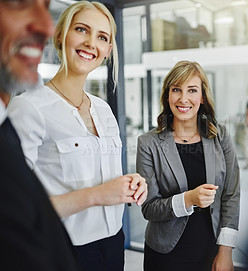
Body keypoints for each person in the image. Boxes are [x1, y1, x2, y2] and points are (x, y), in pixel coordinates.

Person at [7, 2, 147, 270]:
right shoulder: (29, 108)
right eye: (82, 29)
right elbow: (16, 211)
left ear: (107, 51)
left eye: (102, 37)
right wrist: (97, 195)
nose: (91, 43)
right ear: (61, 35)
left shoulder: (104, 110)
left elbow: (106, 180)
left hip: (114, 245)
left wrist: (131, 183)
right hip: (61, 252)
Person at [136, 60, 240, 271]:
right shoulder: (148, 143)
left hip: (211, 250)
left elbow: (231, 195)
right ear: (167, 95)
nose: (183, 99)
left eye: (192, 90)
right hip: (165, 253)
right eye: (176, 89)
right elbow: (149, 208)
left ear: (202, 97)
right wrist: (188, 199)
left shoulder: (221, 136)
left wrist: (226, 250)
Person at [0, 0, 80, 270]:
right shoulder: (28, 107)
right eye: (18, 3)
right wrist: (100, 194)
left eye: (46, 7)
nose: (46, 26)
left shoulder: (4, 130)